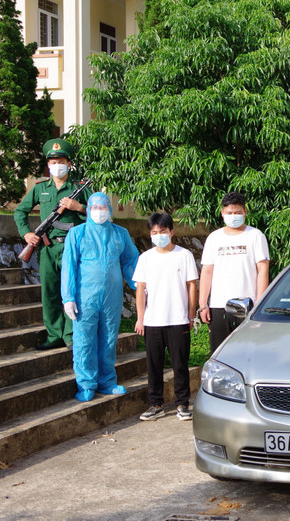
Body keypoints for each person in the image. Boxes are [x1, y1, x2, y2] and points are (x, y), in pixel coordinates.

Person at [61, 192, 139, 402]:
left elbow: (131, 261)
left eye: (103, 207)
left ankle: (107, 382)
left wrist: (138, 285)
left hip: (112, 298)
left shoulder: (120, 234)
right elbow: (68, 266)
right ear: (87, 210)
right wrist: (68, 297)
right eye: (95, 207)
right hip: (85, 296)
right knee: (84, 340)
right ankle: (85, 384)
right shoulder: (77, 233)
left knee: (108, 339)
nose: (99, 211)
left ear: (110, 210)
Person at [14, 139, 90, 350]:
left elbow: (100, 212)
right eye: (53, 161)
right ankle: (54, 334)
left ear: (69, 163)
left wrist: (79, 207)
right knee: (49, 291)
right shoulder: (40, 189)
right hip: (47, 249)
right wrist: (27, 234)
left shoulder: (78, 188)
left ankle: (70, 335)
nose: (58, 165)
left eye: (62, 161)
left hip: (72, 247)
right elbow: (20, 211)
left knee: (71, 290)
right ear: (48, 165)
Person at [133, 213, 199, 421]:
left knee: (180, 364)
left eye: (162, 231)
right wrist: (140, 318)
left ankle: (182, 403)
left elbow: (191, 286)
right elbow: (140, 290)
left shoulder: (184, 255)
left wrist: (191, 314)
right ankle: (155, 404)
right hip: (153, 321)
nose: (158, 235)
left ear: (171, 232)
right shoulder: (145, 258)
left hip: (178, 319)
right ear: (150, 234)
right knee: (154, 365)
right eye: (154, 232)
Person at [199, 192, 270, 354]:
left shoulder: (256, 236)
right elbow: (207, 271)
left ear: (245, 212)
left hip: (248, 305)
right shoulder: (214, 238)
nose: (233, 216)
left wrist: (259, 303)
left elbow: (263, 269)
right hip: (219, 306)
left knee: (248, 352)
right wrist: (203, 304)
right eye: (230, 213)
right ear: (222, 213)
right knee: (220, 352)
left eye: (237, 212)